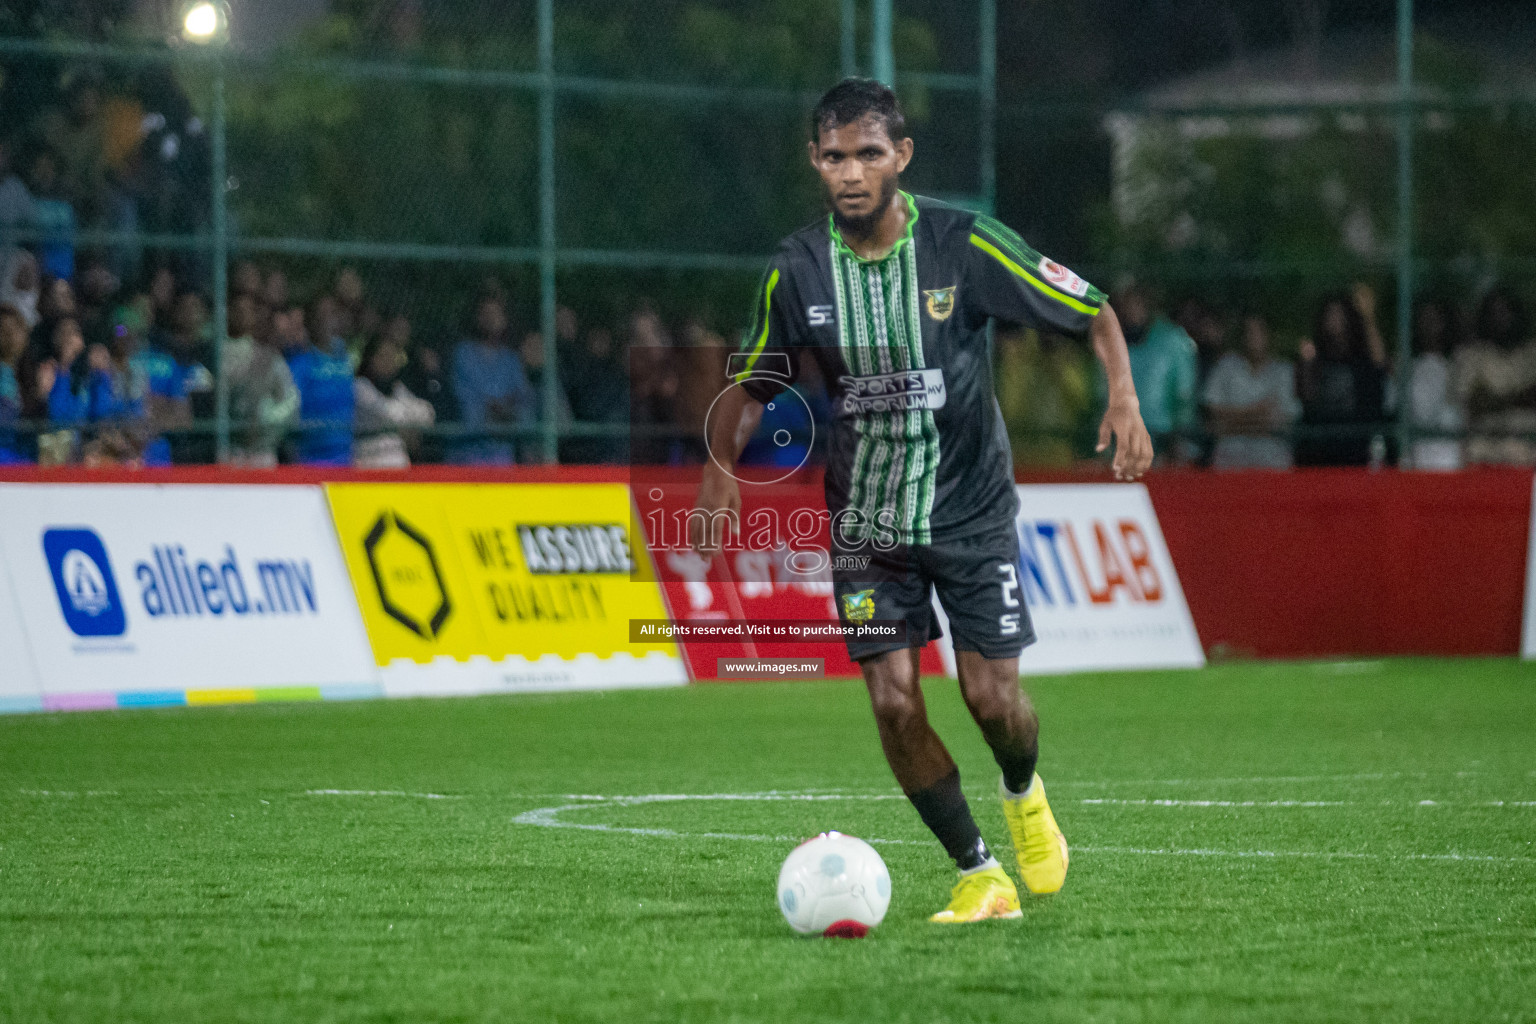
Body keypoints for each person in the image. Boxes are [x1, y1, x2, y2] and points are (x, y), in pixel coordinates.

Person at [690, 79, 1152, 923]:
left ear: (901, 156)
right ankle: (978, 871)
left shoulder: (964, 245)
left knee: (992, 701)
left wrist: (1121, 398)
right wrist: (722, 463)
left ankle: (1022, 789)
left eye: (869, 153)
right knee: (894, 700)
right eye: (834, 156)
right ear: (815, 163)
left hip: (971, 513)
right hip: (867, 527)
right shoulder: (796, 270)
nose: (852, 172)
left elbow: (1094, 310)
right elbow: (753, 383)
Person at [1295, 286, 1390, 467]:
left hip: (1356, 447)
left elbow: (1379, 364)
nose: (1334, 320)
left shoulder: (1360, 356)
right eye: (1330, 314)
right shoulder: (1315, 357)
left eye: (1339, 314)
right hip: (1321, 449)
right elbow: (1306, 398)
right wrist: (1307, 364)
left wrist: (1368, 316)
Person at [1106, 283, 1198, 460]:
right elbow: (1102, 398)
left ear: (1148, 304)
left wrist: (1179, 444)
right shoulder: (1112, 344)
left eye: (1137, 302)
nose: (1132, 310)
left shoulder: (1173, 340)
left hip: (1164, 443)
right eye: (1126, 304)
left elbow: (1185, 398)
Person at [1202, 315, 1301, 469]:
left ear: (1269, 335)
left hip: (1273, 464)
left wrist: (1231, 422)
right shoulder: (1225, 367)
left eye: (1258, 332)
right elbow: (1213, 414)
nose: (1253, 337)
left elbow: (1281, 419)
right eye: (1249, 332)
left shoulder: (1284, 371)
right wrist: (1257, 411)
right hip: (1230, 464)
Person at [1457, 287, 1536, 466]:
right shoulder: (1472, 356)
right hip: (1485, 455)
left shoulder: (1532, 353)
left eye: (1506, 311)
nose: (1501, 318)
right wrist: (1519, 397)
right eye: (1494, 312)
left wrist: (1496, 399)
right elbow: (1475, 403)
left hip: (1528, 456)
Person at [451, 293, 533, 465]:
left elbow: (522, 399)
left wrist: (503, 410)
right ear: (477, 317)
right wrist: (494, 409)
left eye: (496, 314)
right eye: (486, 313)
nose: (491, 319)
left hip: (502, 451)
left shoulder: (511, 359)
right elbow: (465, 401)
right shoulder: (463, 353)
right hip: (468, 450)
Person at [224, 292, 299, 467]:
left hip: (263, 452)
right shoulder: (220, 351)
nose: (242, 315)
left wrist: (266, 420)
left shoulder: (272, 358)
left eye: (248, 311)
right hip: (231, 450)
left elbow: (290, 402)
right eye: (237, 310)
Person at [280, 302, 354, 466]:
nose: (327, 321)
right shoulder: (299, 365)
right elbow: (289, 409)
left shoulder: (346, 361)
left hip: (345, 456)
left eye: (331, 314)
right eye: (321, 316)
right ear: (310, 323)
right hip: (311, 459)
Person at [354, 330, 435, 468]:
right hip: (369, 459)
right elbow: (390, 415)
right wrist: (409, 417)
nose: (388, 362)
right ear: (371, 359)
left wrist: (406, 416)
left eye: (392, 357)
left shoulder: (397, 387)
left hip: (397, 461)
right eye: (383, 356)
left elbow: (428, 412)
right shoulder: (360, 386)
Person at [1406, 298, 1464, 471]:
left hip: (1453, 462)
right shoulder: (1406, 368)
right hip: (1417, 462)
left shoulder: (1459, 365)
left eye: (1434, 319)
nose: (1428, 325)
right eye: (1423, 319)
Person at [0, 303, 29, 462]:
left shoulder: (21, 372)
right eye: (4, 330)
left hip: (15, 453)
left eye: (14, 329)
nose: (8, 336)